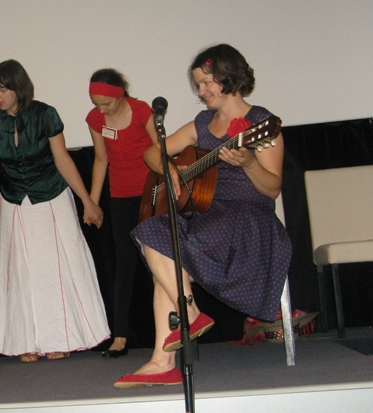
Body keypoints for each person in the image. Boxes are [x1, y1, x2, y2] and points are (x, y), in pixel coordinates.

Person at [113, 44, 291, 388]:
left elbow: (272, 189)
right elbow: (152, 152)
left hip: (248, 220)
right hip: (207, 216)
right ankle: (187, 315)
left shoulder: (261, 124)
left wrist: (249, 163)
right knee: (153, 232)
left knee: (167, 260)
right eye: (197, 84)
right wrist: (170, 170)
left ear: (231, 78)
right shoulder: (202, 124)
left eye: (207, 82)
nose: (201, 91)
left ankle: (162, 362)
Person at [0, 59, 111, 363]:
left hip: (52, 197)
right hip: (14, 201)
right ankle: (26, 340)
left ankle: (60, 338)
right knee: (20, 272)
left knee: (56, 268)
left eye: (2, 89)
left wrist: (87, 201)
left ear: (18, 87)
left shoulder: (45, 114)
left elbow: (62, 159)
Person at [86, 69, 157, 358]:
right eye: (96, 103)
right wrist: (92, 202)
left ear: (120, 94)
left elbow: (160, 150)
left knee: (158, 264)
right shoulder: (95, 119)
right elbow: (101, 160)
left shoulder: (141, 111)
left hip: (152, 193)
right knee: (124, 265)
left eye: (106, 104)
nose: (101, 109)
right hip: (120, 196)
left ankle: (175, 329)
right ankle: (119, 336)